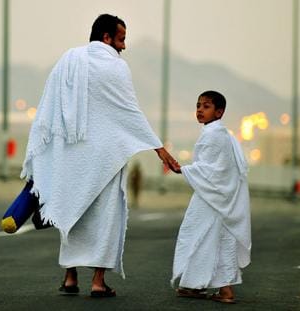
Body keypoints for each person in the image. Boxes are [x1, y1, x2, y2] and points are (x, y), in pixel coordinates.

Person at [21, 14, 180, 297]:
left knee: (71, 212)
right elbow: (129, 111)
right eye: (121, 39)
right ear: (106, 37)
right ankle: (97, 281)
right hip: (105, 157)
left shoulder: (68, 60)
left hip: (71, 155)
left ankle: (70, 278)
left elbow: (49, 107)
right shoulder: (116, 67)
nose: (124, 46)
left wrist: (48, 151)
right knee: (105, 217)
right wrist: (159, 148)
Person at [171, 91, 251, 304]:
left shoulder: (214, 134)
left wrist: (183, 170)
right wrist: (188, 170)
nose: (199, 110)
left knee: (203, 237)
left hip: (212, 197)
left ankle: (224, 291)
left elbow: (213, 170)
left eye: (206, 106)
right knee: (209, 238)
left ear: (219, 111)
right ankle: (194, 286)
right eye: (197, 105)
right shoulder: (222, 133)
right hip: (218, 196)